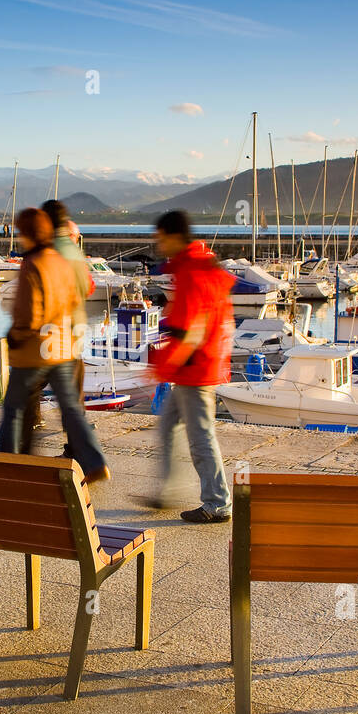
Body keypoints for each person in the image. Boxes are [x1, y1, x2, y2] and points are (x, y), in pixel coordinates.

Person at [0, 208, 110, 483]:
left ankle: (5, 467)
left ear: (27, 234)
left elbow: (28, 311)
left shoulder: (33, 264)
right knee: (70, 407)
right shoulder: (59, 260)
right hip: (62, 345)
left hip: (34, 349)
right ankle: (94, 463)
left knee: (14, 409)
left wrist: (15, 335)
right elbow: (74, 297)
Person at [145, 210, 235, 523]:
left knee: (201, 437)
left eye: (160, 238)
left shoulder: (193, 272)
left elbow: (190, 330)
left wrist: (163, 367)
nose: (158, 245)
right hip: (195, 365)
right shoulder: (195, 266)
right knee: (169, 426)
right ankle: (168, 491)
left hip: (195, 368)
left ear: (172, 236)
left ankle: (218, 502)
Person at [21, 200, 94, 454]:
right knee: (71, 396)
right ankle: (81, 452)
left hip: (50, 334)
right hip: (73, 330)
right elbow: (87, 287)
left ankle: (24, 450)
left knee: (27, 390)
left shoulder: (50, 251)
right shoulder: (74, 252)